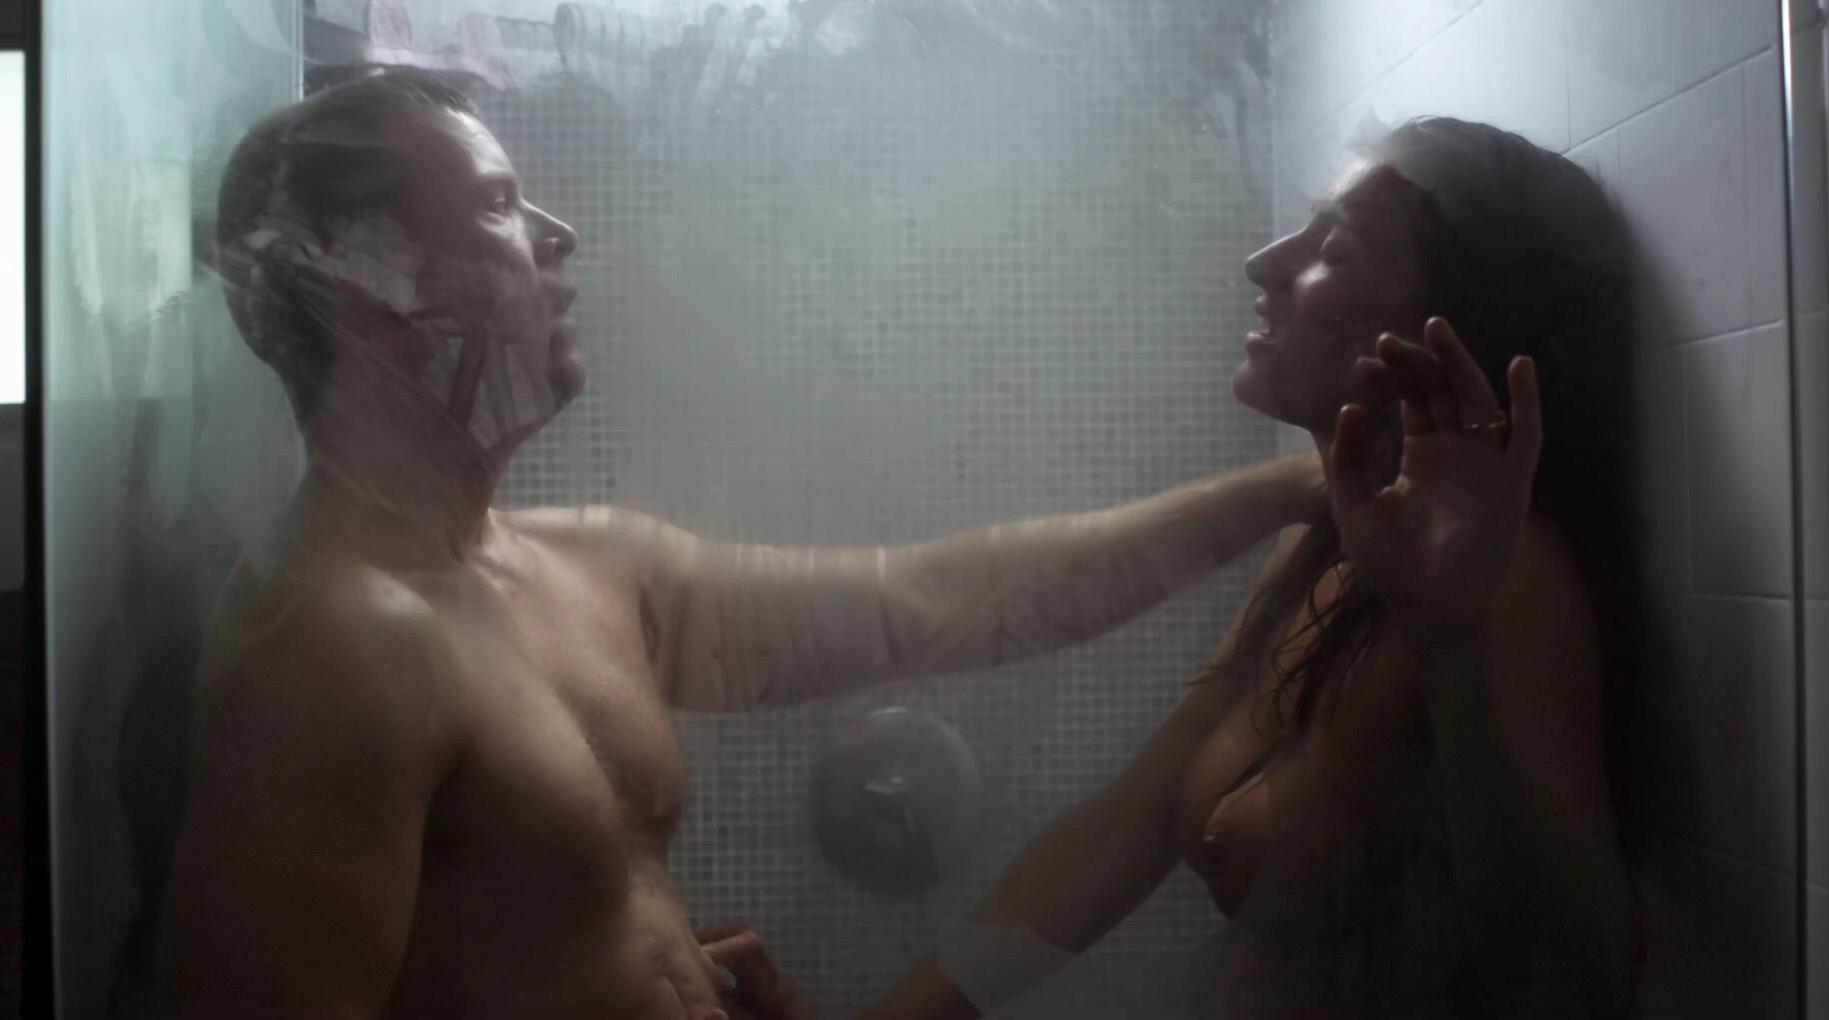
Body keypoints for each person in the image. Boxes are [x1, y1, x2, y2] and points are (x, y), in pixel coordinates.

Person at [139, 67, 1329, 1020]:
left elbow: (938, 601)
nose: (558, 233)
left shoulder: (581, 564)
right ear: (366, 285)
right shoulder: (332, 651)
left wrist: (1289, 493)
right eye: (499, 204)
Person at [865, 116, 1644, 1019]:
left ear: (1440, 338)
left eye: (1335, 249)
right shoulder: (1325, 544)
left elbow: (1577, 991)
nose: (1264, 265)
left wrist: (1447, 644)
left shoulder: (1506, 584)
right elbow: (1125, 829)